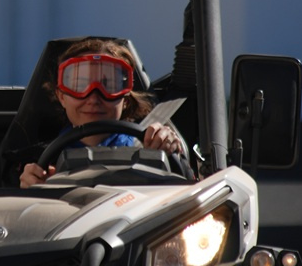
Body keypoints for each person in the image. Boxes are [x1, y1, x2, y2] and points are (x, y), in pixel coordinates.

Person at [19, 38, 183, 188]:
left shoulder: (152, 148)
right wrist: (30, 189)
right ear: (62, 96)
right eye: (80, 85)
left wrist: (170, 149)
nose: (93, 98)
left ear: (125, 99)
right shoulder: (40, 164)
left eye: (109, 85)